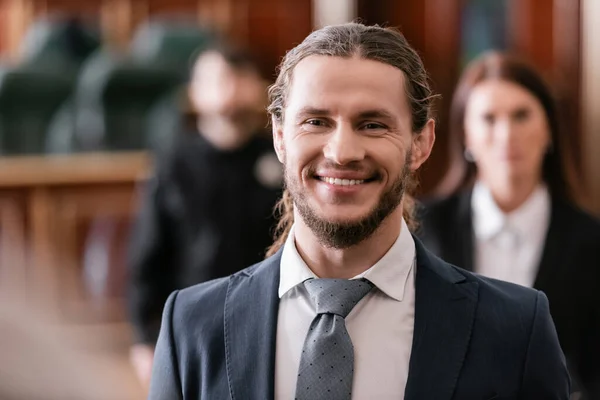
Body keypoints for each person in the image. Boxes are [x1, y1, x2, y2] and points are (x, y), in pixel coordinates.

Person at [148, 23, 570, 399]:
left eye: (373, 124)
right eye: (315, 121)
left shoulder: (515, 330)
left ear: (422, 143)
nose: (342, 152)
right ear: (280, 137)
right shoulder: (191, 326)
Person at [417, 51, 600, 399]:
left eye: (521, 115)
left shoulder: (592, 242)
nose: (506, 134)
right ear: (465, 134)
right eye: (488, 118)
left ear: (548, 128)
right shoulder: (421, 229)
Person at [127, 42, 282, 387]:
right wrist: (143, 338)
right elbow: (146, 254)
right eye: (217, 79)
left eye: (240, 77)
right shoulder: (171, 163)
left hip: (269, 320)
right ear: (194, 93)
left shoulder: (281, 157)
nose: (229, 89)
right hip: (192, 321)